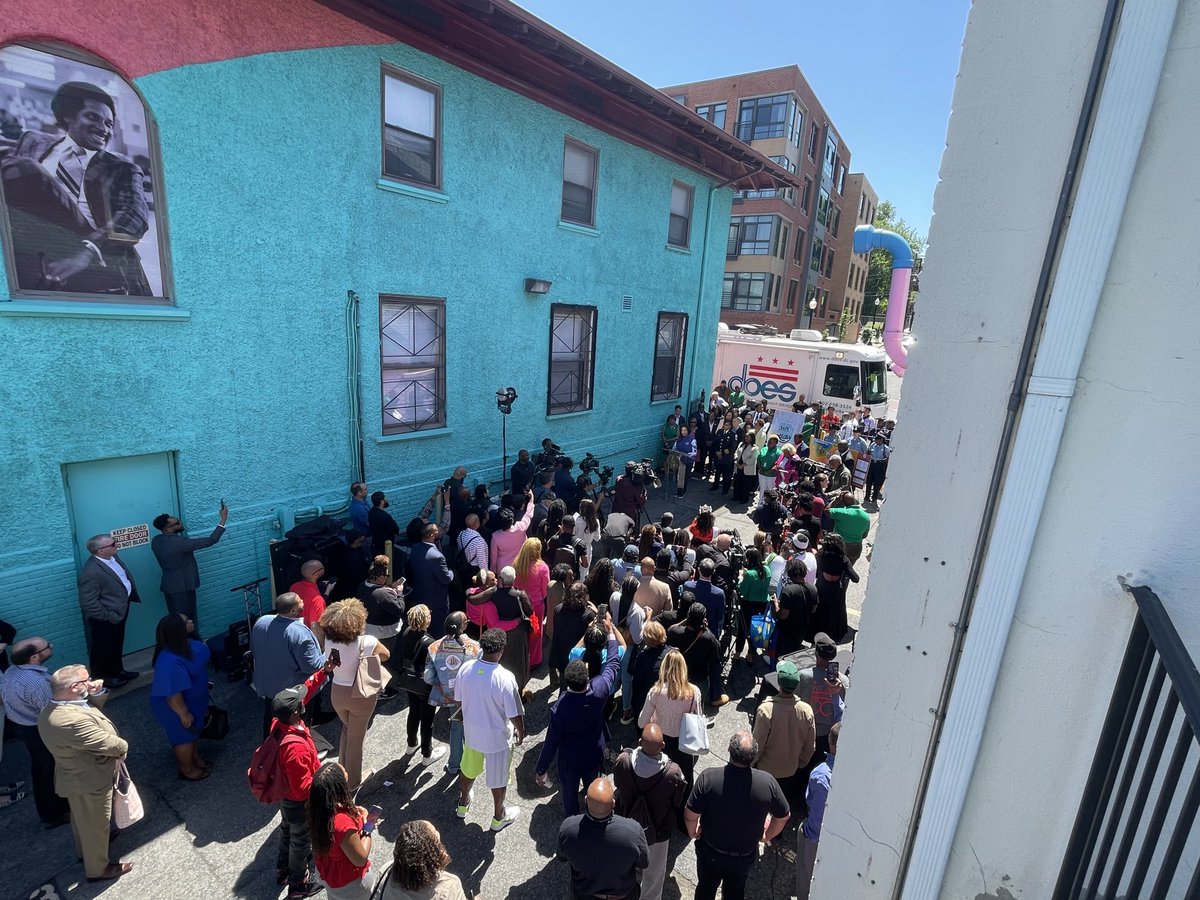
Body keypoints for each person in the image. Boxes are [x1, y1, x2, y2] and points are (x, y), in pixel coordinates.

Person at [0, 81, 153, 294]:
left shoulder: (123, 168)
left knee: (26, 169)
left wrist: (88, 251)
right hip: (31, 247)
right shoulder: (33, 141)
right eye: (93, 117)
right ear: (68, 116)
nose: (103, 128)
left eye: (109, 124)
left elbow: (135, 216)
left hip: (90, 249)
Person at [38, 664, 132, 883]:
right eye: (86, 680)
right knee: (96, 824)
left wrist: (95, 694)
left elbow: (89, 711)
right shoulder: (71, 721)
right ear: (73, 687)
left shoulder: (56, 707)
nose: (91, 682)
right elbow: (110, 744)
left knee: (83, 821)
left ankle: (85, 853)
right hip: (90, 779)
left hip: (75, 776)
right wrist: (124, 747)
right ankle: (98, 869)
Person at [686, 731, 791, 900]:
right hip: (743, 856)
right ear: (753, 756)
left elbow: (691, 814)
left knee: (706, 888)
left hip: (711, 851)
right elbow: (784, 816)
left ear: (729, 749)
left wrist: (693, 830)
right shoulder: (767, 782)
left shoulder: (708, 778)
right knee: (735, 892)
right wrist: (767, 836)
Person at [535, 613, 621, 815]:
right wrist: (610, 634)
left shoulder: (560, 707)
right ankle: (594, 811)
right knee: (593, 784)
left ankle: (572, 818)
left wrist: (541, 769)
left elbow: (551, 742)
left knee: (569, 792)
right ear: (587, 678)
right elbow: (613, 663)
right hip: (594, 749)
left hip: (570, 758)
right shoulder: (599, 689)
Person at [267, 668, 334, 899]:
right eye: (300, 704)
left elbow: (304, 692)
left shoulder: (280, 722)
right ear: (297, 712)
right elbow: (302, 787)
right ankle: (298, 884)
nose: (303, 702)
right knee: (301, 842)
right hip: (300, 802)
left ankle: (282, 870)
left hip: (286, 799)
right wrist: (324, 783)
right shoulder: (294, 749)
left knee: (286, 830)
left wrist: (325, 671)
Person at [454, 628, 525, 831]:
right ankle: (498, 817)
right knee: (498, 779)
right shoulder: (505, 677)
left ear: (482, 647)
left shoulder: (466, 668)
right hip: (498, 740)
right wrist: (521, 730)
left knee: (468, 770)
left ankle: (463, 803)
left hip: (472, 735)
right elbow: (514, 714)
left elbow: (457, 699)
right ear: (502, 649)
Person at [320, 599, 390, 791]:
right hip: (360, 694)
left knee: (347, 729)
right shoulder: (367, 641)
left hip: (337, 692)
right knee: (355, 739)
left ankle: (341, 771)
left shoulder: (328, 640)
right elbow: (386, 655)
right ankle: (352, 782)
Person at [0, 637, 70, 827]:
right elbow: (54, 713)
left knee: (41, 767)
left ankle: (51, 809)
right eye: (48, 646)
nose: (52, 646)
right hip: (38, 729)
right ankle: (54, 813)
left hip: (22, 725)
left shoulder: (13, 671)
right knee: (50, 769)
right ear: (34, 658)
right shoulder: (36, 683)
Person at [613, 724, 687, 900]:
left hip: (626, 825)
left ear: (639, 742)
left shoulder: (623, 761)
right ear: (663, 745)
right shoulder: (673, 773)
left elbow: (617, 784)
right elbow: (677, 802)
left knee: (625, 863)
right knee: (654, 873)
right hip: (658, 831)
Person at [558, 777, 650, 900]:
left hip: (584, 896)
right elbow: (644, 862)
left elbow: (561, 856)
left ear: (586, 800)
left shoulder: (568, 828)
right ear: (613, 803)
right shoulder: (633, 830)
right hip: (623, 896)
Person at [251, 592, 327, 737]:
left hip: (268, 686)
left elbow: (255, 651)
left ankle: (269, 752)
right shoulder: (300, 634)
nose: (303, 602)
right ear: (293, 610)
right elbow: (312, 666)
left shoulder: (262, 621)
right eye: (300, 601)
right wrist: (327, 654)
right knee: (296, 727)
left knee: (270, 722)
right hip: (292, 694)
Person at [149, 613, 212, 780]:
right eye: (186, 621)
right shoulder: (168, 661)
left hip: (194, 701)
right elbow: (172, 694)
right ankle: (187, 769)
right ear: (178, 630)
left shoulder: (188, 645)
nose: (191, 621)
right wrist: (183, 713)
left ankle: (195, 758)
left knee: (194, 732)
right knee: (184, 737)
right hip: (176, 707)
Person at [638, 648, 703, 807]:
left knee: (661, 775)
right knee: (685, 778)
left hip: (661, 741)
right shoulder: (694, 692)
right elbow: (699, 718)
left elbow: (641, 722)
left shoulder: (655, 691)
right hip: (684, 740)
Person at [77, 533, 140, 689]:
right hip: (105, 617)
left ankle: (118, 671)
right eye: (112, 544)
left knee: (116, 643)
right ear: (100, 551)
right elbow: (88, 601)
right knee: (102, 648)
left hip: (119, 610)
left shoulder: (113, 558)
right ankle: (103, 678)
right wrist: (107, 616)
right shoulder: (91, 571)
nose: (116, 545)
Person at [752, 660, 815, 811]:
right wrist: (799, 764)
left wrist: (751, 765)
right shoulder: (806, 711)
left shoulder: (766, 710)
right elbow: (810, 747)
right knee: (780, 807)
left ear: (779, 683)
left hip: (765, 770)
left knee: (761, 806)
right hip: (790, 770)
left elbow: (757, 745)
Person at [307, 762, 376, 898]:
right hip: (350, 884)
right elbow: (360, 859)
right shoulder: (342, 824)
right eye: (344, 775)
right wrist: (368, 825)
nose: (347, 774)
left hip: (327, 874)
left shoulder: (316, 809)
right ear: (338, 787)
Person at [150, 501, 228, 624]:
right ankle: (187, 642)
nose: (181, 523)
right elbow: (211, 540)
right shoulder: (179, 543)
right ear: (169, 528)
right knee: (186, 621)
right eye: (177, 523)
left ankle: (179, 641)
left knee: (175, 621)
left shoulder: (156, 541)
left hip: (169, 585)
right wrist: (223, 518)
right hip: (183, 587)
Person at [424, 612, 480, 776]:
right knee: (471, 729)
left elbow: (428, 677)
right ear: (463, 626)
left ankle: (454, 765)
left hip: (449, 699)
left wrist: (443, 687)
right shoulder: (475, 647)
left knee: (456, 727)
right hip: (469, 698)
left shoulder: (434, 647)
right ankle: (471, 764)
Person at [466, 566, 533, 694]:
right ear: (515, 579)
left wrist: (468, 593)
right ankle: (518, 690)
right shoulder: (521, 594)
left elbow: (474, 599)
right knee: (519, 661)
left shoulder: (493, 592)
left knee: (504, 661)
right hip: (518, 631)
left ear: (501, 579)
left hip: (501, 633)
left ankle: (504, 689)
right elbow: (529, 612)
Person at [797, 722, 840, 900]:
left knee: (806, 879)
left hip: (816, 837)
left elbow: (816, 817)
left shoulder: (821, 775)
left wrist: (806, 835)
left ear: (831, 743)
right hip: (838, 837)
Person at [399, 604, 444, 764]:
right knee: (427, 719)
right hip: (424, 685)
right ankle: (427, 754)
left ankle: (411, 743)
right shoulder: (429, 642)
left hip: (410, 681)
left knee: (413, 712)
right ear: (426, 620)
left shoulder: (405, 633)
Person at [356, 555, 405, 699]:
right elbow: (399, 609)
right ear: (381, 577)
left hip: (369, 628)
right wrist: (400, 593)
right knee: (385, 659)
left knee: (374, 658)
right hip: (385, 632)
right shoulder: (383, 593)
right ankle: (383, 688)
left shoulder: (363, 586)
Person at [382, 819, 469, 900]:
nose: (438, 832)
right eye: (438, 842)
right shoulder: (449, 885)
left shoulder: (386, 871)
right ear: (431, 856)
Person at [666, 602, 727, 709]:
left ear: (688, 617)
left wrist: (686, 620)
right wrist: (706, 629)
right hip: (699, 679)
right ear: (703, 619)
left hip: (679, 675)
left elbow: (672, 628)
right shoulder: (709, 638)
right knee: (697, 706)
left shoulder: (674, 632)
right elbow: (715, 661)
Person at [408, 522, 454, 638]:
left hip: (421, 594)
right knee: (438, 629)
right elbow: (446, 578)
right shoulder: (437, 557)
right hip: (437, 600)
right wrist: (452, 572)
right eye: (437, 530)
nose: (439, 531)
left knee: (423, 626)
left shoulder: (416, 548)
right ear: (431, 535)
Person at [548, 582, 596, 691]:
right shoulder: (588, 615)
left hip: (561, 654)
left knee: (564, 686)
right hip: (578, 658)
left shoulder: (558, 609)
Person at [514, 538, 550, 669]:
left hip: (519, 603)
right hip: (536, 605)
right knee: (536, 633)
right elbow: (545, 590)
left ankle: (521, 658)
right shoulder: (542, 567)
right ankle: (534, 661)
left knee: (522, 631)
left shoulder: (516, 564)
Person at [774, 559, 816, 657]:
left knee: (782, 655)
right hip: (803, 629)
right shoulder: (813, 589)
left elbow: (783, 615)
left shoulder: (788, 591)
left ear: (790, 574)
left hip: (787, 631)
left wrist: (775, 604)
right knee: (795, 653)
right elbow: (813, 609)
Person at [736, 549, 771, 665]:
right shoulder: (767, 570)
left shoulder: (749, 574)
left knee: (743, 629)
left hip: (748, 604)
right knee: (756, 630)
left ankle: (737, 653)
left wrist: (741, 579)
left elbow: (742, 591)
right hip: (762, 605)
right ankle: (751, 654)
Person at [630, 621, 669, 723]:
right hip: (668, 698)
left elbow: (637, 682)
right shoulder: (672, 653)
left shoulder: (642, 658)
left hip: (648, 698)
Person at [489, 492, 536, 574]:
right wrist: (531, 499)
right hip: (520, 565)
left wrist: (492, 571)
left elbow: (493, 556)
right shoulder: (520, 528)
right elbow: (528, 515)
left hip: (503, 569)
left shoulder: (495, 536)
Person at [683, 558, 726, 641]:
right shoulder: (719, 593)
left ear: (699, 570)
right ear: (713, 571)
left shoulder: (687, 586)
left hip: (689, 630)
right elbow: (720, 618)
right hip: (709, 633)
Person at [827, 492, 871, 564]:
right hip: (856, 549)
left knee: (836, 568)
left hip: (840, 547)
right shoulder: (866, 516)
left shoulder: (842, 512)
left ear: (843, 503)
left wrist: (836, 500)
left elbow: (826, 510)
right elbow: (864, 535)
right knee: (848, 568)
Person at [290, 560, 329, 631]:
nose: (323, 567)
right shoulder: (317, 600)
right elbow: (317, 628)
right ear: (315, 575)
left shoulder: (294, 586)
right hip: (308, 632)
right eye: (321, 568)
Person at [368, 492, 401, 557]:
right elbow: (396, 530)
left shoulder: (371, 512)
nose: (387, 500)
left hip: (375, 544)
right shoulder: (386, 517)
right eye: (385, 498)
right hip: (386, 547)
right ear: (382, 501)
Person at [864, 431, 891, 505]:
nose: (875, 441)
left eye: (877, 439)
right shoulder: (872, 445)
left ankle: (874, 497)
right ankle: (867, 496)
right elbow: (869, 452)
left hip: (879, 465)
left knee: (876, 482)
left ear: (881, 440)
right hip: (872, 463)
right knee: (869, 480)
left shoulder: (885, 448)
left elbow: (887, 457)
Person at [755, 434, 782, 506]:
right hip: (762, 473)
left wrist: (768, 471)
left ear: (775, 443)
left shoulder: (778, 452)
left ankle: (770, 504)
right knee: (762, 488)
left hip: (771, 475)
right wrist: (760, 468)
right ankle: (760, 503)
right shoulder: (764, 449)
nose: (769, 443)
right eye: (769, 441)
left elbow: (777, 464)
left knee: (770, 489)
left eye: (771, 442)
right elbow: (758, 459)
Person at [674, 424, 698, 497]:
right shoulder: (678, 439)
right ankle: (678, 491)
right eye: (682, 430)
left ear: (688, 431)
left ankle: (682, 492)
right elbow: (674, 448)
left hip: (688, 462)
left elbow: (694, 452)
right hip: (678, 461)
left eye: (685, 430)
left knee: (684, 478)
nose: (683, 432)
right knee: (677, 477)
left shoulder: (692, 440)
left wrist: (685, 454)